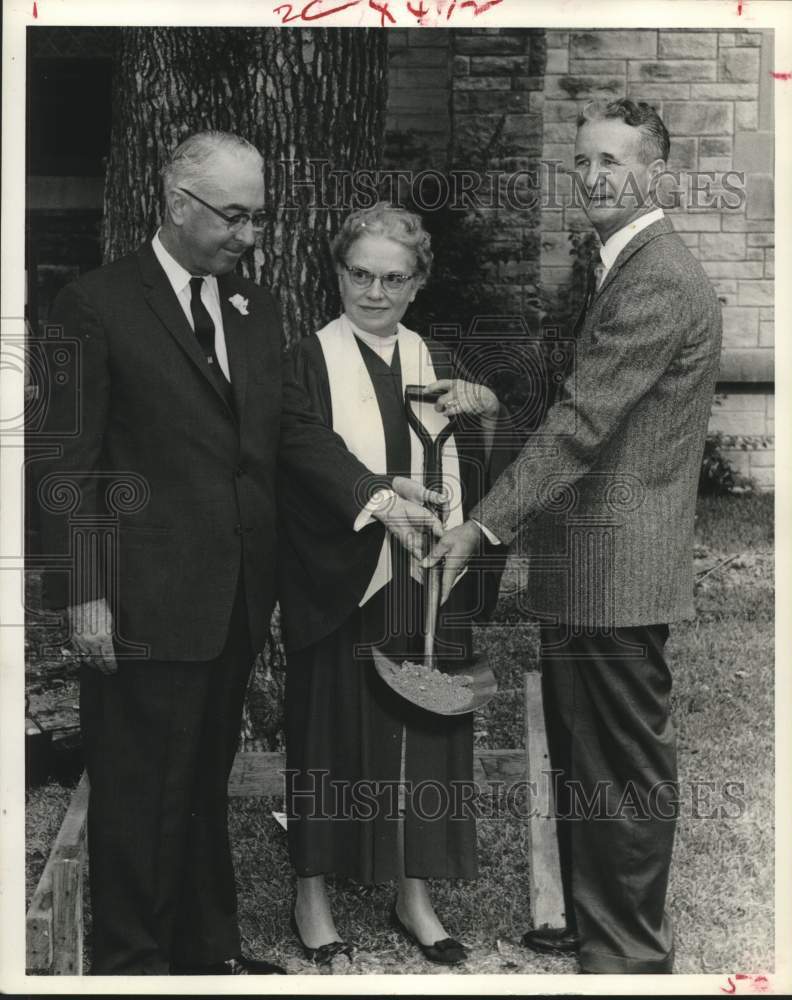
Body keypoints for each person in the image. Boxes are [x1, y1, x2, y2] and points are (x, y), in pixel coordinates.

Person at [32, 133, 440, 976]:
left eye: (258, 216)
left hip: (234, 601)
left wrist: (373, 491)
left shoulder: (254, 309)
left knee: (199, 791)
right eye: (234, 216)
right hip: (140, 602)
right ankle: (132, 969)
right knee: (140, 796)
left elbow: (289, 429)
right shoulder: (95, 304)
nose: (251, 234)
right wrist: (84, 593)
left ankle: (203, 958)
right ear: (177, 202)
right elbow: (63, 465)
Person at [424, 100, 722, 974]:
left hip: (618, 568)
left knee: (620, 767)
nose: (593, 177)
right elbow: (576, 391)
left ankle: (627, 954)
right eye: (583, 161)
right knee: (587, 757)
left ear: (655, 174)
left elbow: (583, 425)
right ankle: (595, 921)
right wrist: (491, 402)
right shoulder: (618, 265)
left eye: (613, 163)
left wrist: (481, 524)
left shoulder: (658, 276)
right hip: (591, 562)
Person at [277, 203, 515, 967]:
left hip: (426, 573)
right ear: (337, 274)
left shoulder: (435, 360)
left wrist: (486, 415)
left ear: (417, 284)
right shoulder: (305, 359)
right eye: (359, 275)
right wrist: (378, 501)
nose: (373, 292)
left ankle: (414, 891)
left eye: (392, 278)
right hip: (345, 573)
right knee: (327, 729)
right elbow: (298, 449)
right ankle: (310, 890)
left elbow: (482, 474)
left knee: (427, 727)